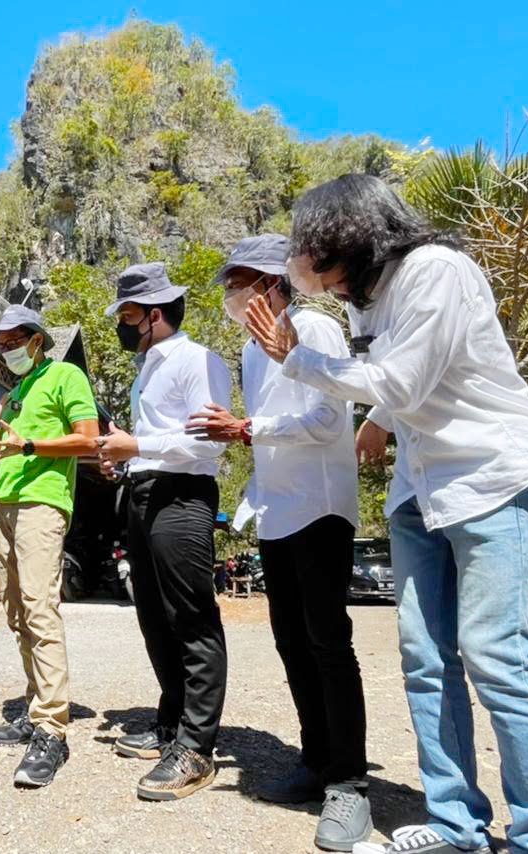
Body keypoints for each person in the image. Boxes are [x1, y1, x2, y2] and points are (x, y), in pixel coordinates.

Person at [246, 174, 528, 854]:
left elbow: (402, 379)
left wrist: (301, 360)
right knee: (426, 660)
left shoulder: (438, 271)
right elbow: (397, 383)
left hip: (488, 476)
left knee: (495, 654)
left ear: (359, 239)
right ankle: (458, 824)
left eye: (331, 269)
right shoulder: (366, 297)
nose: (333, 288)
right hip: (418, 491)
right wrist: (377, 417)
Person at [187, 235, 371, 851]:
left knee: (327, 641)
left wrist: (247, 429)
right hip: (276, 512)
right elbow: (265, 435)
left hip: (320, 505)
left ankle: (349, 782)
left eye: (242, 280)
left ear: (272, 283)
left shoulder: (315, 330)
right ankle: (316, 760)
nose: (232, 293)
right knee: (291, 641)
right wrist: (252, 492)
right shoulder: (250, 350)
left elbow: (327, 421)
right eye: (229, 282)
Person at [95, 262, 230, 802]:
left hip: (183, 498)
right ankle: (171, 725)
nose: (122, 325)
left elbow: (209, 444)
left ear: (154, 314)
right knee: (154, 617)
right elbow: (154, 438)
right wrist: (125, 460)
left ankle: (198, 747)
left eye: (127, 315)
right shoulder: (148, 366)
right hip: (145, 494)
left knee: (191, 617)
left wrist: (139, 448)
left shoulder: (197, 360)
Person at [0, 305, 99, 788]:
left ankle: (51, 729)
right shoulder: (17, 390)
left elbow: (88, 439)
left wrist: (29, 447)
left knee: (40, 610)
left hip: (42, 504)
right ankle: (34, 704)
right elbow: (9, 443)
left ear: (38, 339)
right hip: (4, 501)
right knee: (16, 613)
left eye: (13, 339)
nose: (6, 348)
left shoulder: (65, 375)